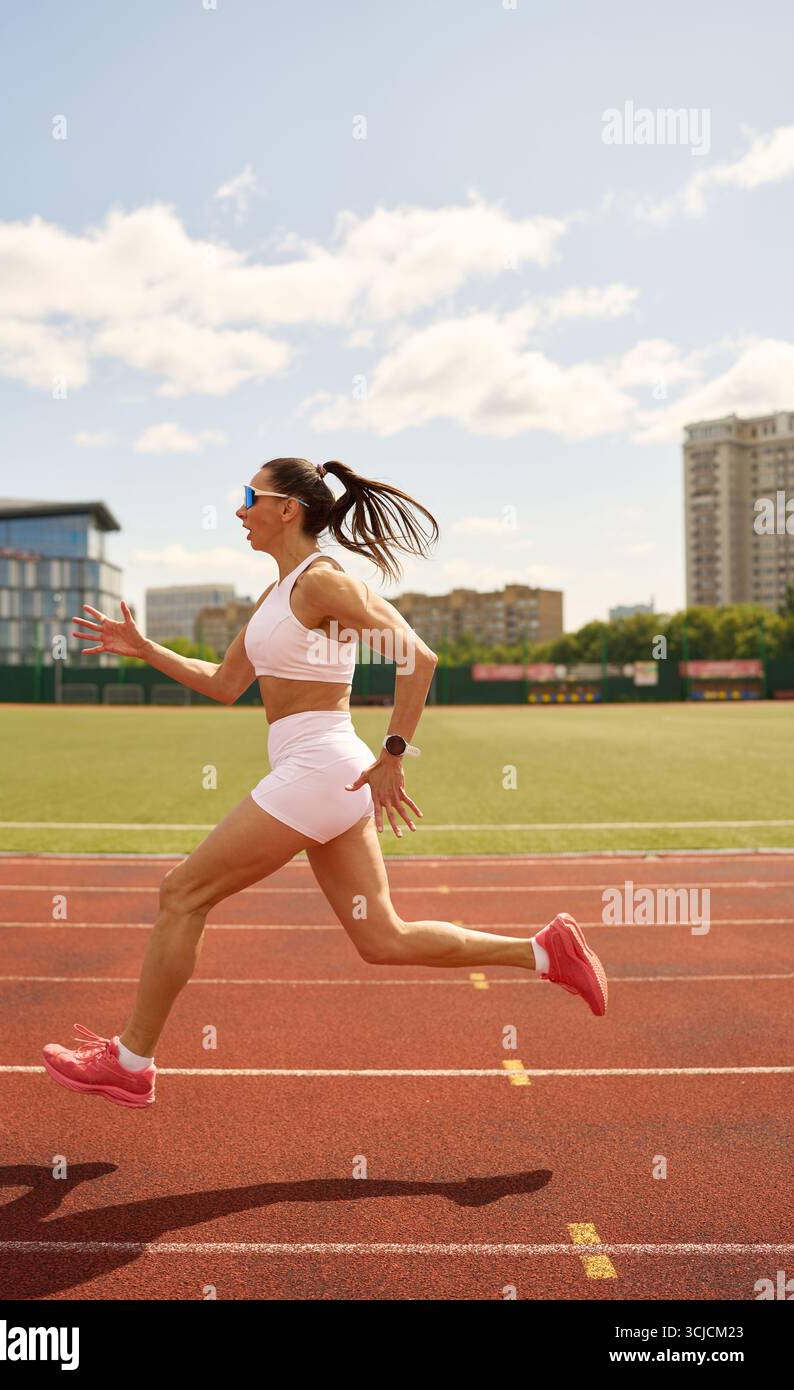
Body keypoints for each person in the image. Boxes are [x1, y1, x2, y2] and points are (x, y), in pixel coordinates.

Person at [42, 457, 607, 1108]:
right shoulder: (276, 594)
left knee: (182, 894)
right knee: (382, 938)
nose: (239, 509)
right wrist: (146, 650)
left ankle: (132, 1060)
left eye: (249, 496)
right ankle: (543, 951)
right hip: (319, 774)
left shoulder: (323, 583)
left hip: (321, 767)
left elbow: (416, 656)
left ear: (288, 509)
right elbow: (227, 685)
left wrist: (393, 753)